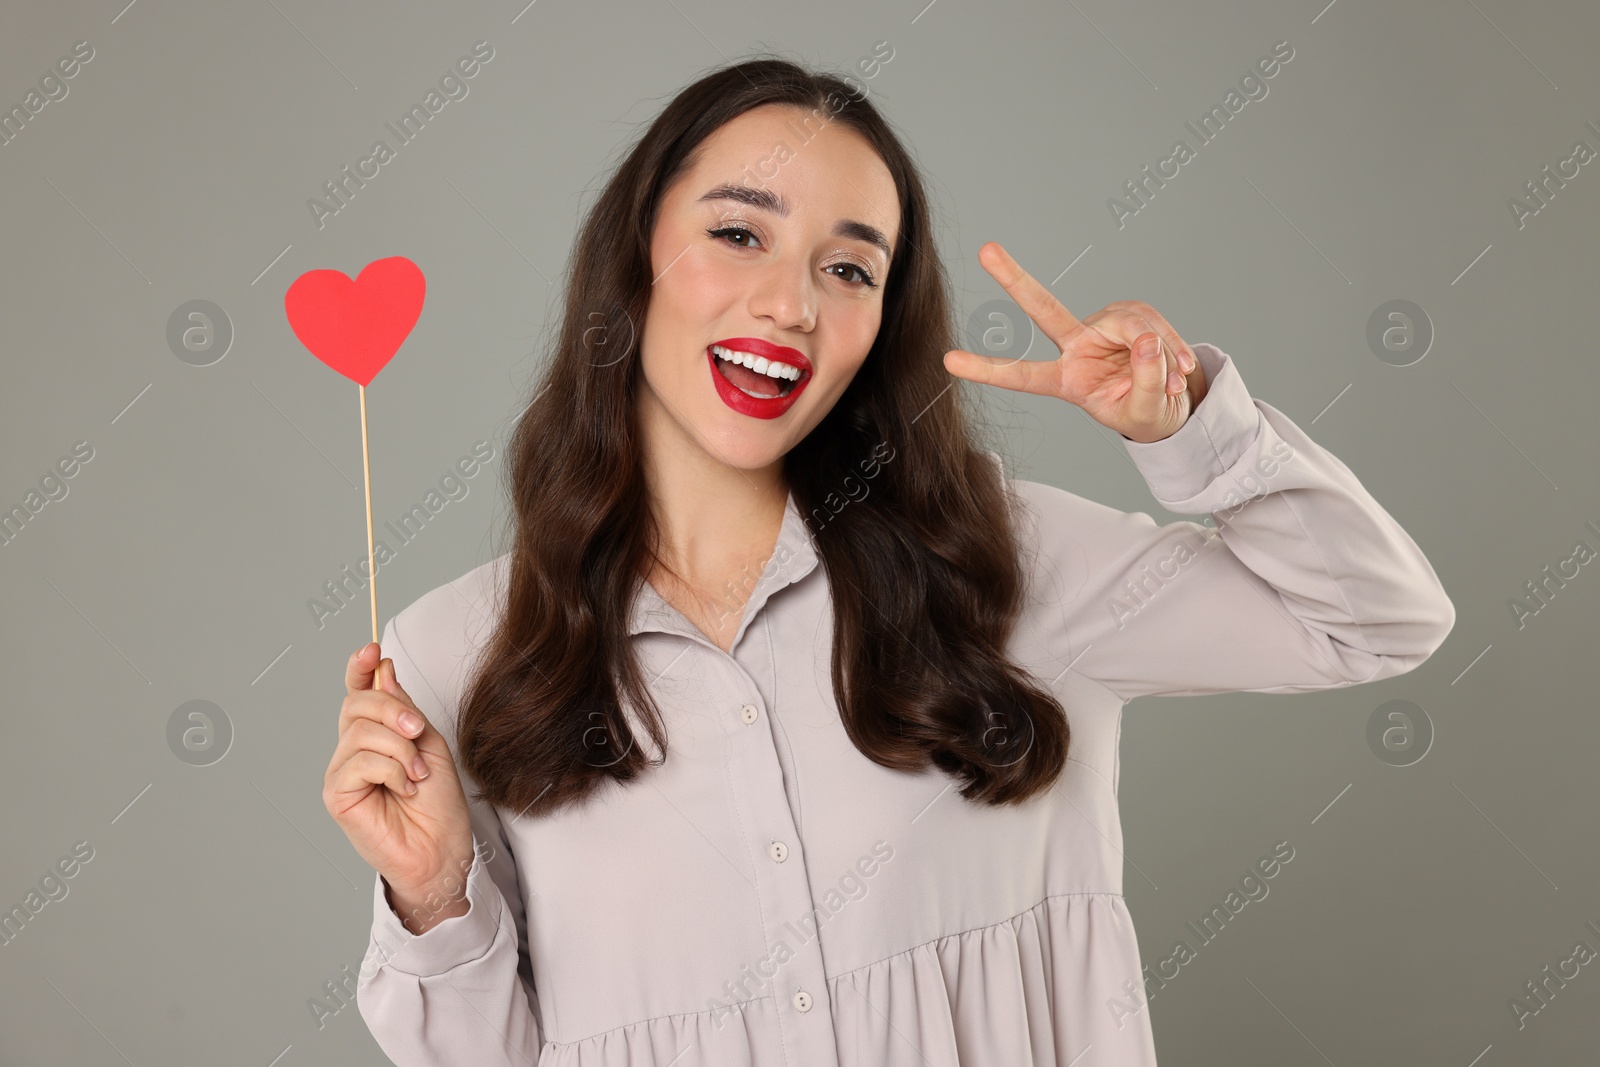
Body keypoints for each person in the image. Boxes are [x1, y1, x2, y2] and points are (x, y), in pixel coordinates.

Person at [322, 56, 1454, 1066]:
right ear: (633, 262)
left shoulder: (1005, 561)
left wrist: (1189, 427)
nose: (790, 303)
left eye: (850, 270)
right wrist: (429, 894)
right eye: (738, 232)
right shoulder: (454, 655)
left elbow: (1375, 619)